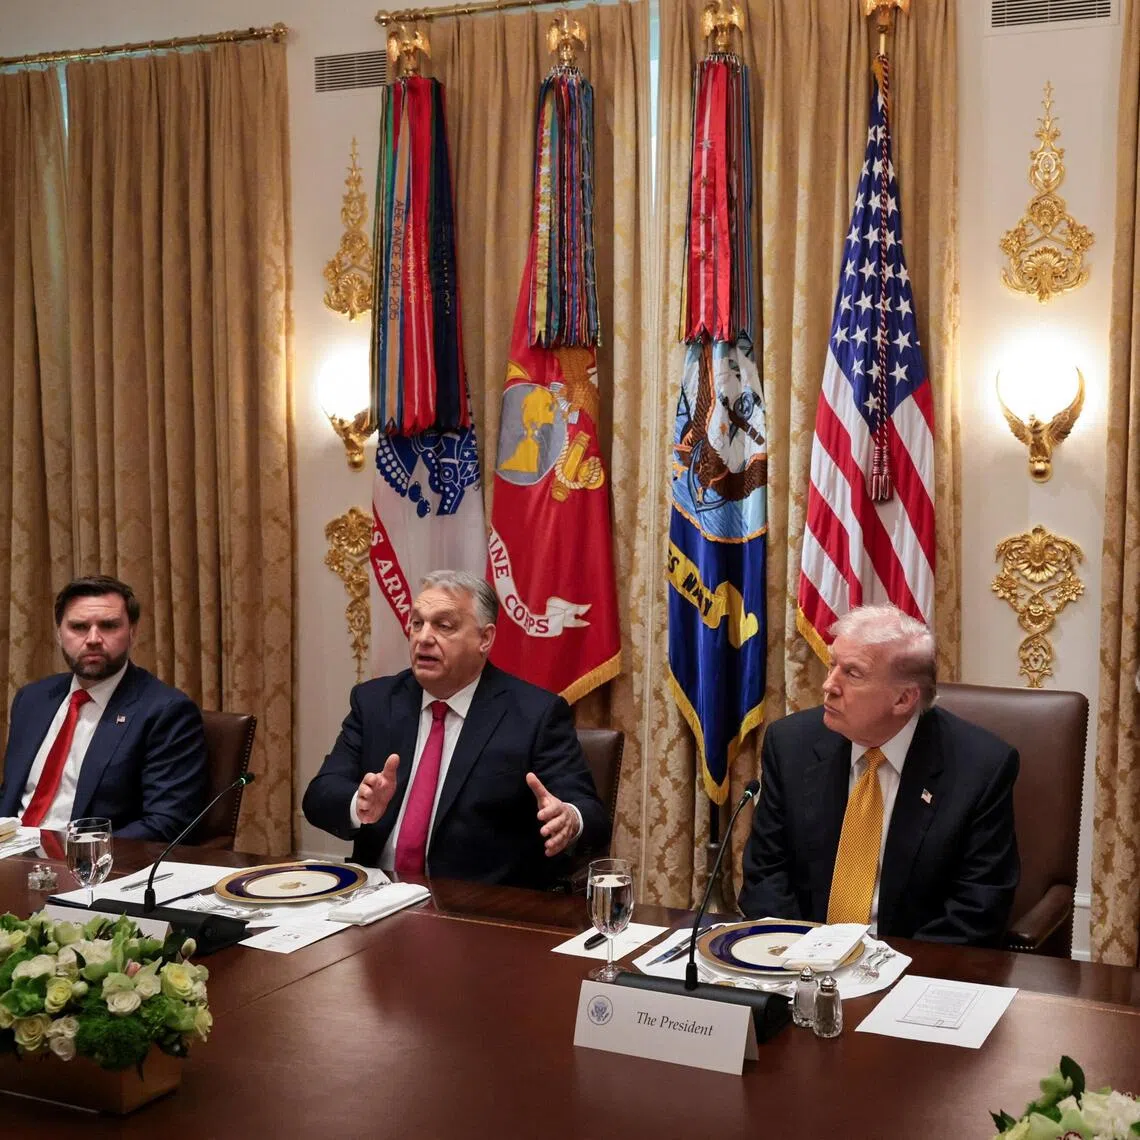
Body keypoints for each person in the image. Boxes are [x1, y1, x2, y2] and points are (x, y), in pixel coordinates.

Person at [303, 569, 610, 889]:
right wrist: (360, 805)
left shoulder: (535, 715)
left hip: (478, 910)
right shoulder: (375, 702)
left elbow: (592, 815)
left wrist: (570, 819)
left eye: (444, 625)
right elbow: (319, 796)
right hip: (375, 901)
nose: (423, 637)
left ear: (485, 638)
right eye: (417, 623)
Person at [738, 604, 1019, 945]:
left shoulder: (980, 768)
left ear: (903, 699)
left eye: (852, 674)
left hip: (911, 971)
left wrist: (886, 972)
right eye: (832, 665)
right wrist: (801, 957)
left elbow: (977, 909)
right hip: (800, 963)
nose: (829, 685)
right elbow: (766, 873)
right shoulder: (791, 744)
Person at [0, 575, 208, 841]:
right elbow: (11, 795)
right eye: (78, 627)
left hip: (89, 864)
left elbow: (167, 823)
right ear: (59, 634)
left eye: (109, 626)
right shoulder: (33, 699)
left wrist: (79, 853)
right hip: (10, 854)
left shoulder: (165, 711)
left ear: (132, 633)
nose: (93, 639)